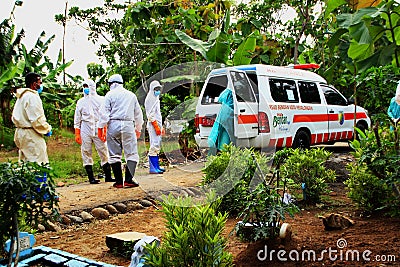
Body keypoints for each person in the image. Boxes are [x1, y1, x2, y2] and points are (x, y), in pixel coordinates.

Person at [97, 74, 144, 188]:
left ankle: (118, 182)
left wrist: (100, 128)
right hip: (128, 124)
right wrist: (138, 128)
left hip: (113, 124)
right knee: (131, 153)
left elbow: (104, 114)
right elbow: (138, 114)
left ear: (110, 84)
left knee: (114, 154)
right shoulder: (131, 95)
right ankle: (129, 180)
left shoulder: (109, 95)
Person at [74, 79, 115, 184]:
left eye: (87, 86)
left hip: (98, 127)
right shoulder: (81, 102)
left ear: (92, 87)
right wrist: (77, 133)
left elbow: (105, 115)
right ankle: (91, 177)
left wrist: (105, 129)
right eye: (84, 86)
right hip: (85, 127)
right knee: (86, 150)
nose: (86, 89)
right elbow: (77, 118)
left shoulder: (101, 100)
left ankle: (108, 176)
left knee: (103, 150)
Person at [12, 72, 52, 164]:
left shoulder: (21, 96)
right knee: (38, 160)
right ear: (34, 84)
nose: (41, 85)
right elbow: (36, 120)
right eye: (40, 83)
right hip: (30, 134)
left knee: (25, 161)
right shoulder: (32, 97)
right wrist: (46, 129)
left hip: (20, 133)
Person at [144, 80, 165, 174]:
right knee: (154, 144)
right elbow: (150, 115)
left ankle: (156, 166)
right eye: (156, 89)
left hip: (157, 124)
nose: (158, 91)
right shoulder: (149, 99)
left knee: (157, 144)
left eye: (159, 89)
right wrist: (156, 126)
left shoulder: (156, 98)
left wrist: (160, 127)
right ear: (152, 89)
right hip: (153, 125)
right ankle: (153, 168)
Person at [207, 88, 235, 155]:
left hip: (223, 115)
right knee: (226, 135)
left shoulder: (227, 92)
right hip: (228, 116)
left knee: (219, 134)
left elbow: (219, 99)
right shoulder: (232, 92)